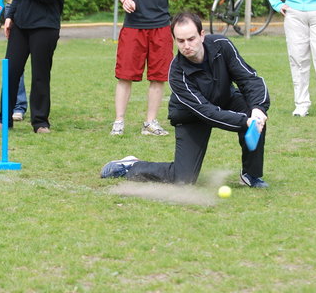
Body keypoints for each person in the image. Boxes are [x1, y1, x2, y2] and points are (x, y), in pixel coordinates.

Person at [101, 12, 270, 188]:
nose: (187, 46)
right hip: (191, 116)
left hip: (225, 98)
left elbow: (249, 79)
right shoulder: (176, 73)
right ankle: (131, 166)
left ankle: (251, 174)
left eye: (191, 39)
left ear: (202, 35)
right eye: (180, 41)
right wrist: (246, 121)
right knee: (183, 179)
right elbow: (207, 112)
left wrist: (258, 109)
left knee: (257, 115)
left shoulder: (222, 45)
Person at [110, 0, 183, 136]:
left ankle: (150, 123)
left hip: (161, 26)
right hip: (133, 26)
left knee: (158, 77)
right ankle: (119, 122)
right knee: (125, 75)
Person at [0, 0, 68, 134]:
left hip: (44, 26)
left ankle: (40, 122)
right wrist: (10, 16)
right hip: (20, 25)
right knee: (11, 71)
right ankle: (4, 119)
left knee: (40, 75)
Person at [0, 0, 28, 122]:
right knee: (16, 59)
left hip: (38, 3)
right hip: (14, 4)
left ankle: (36, 108)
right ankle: (17, 106)